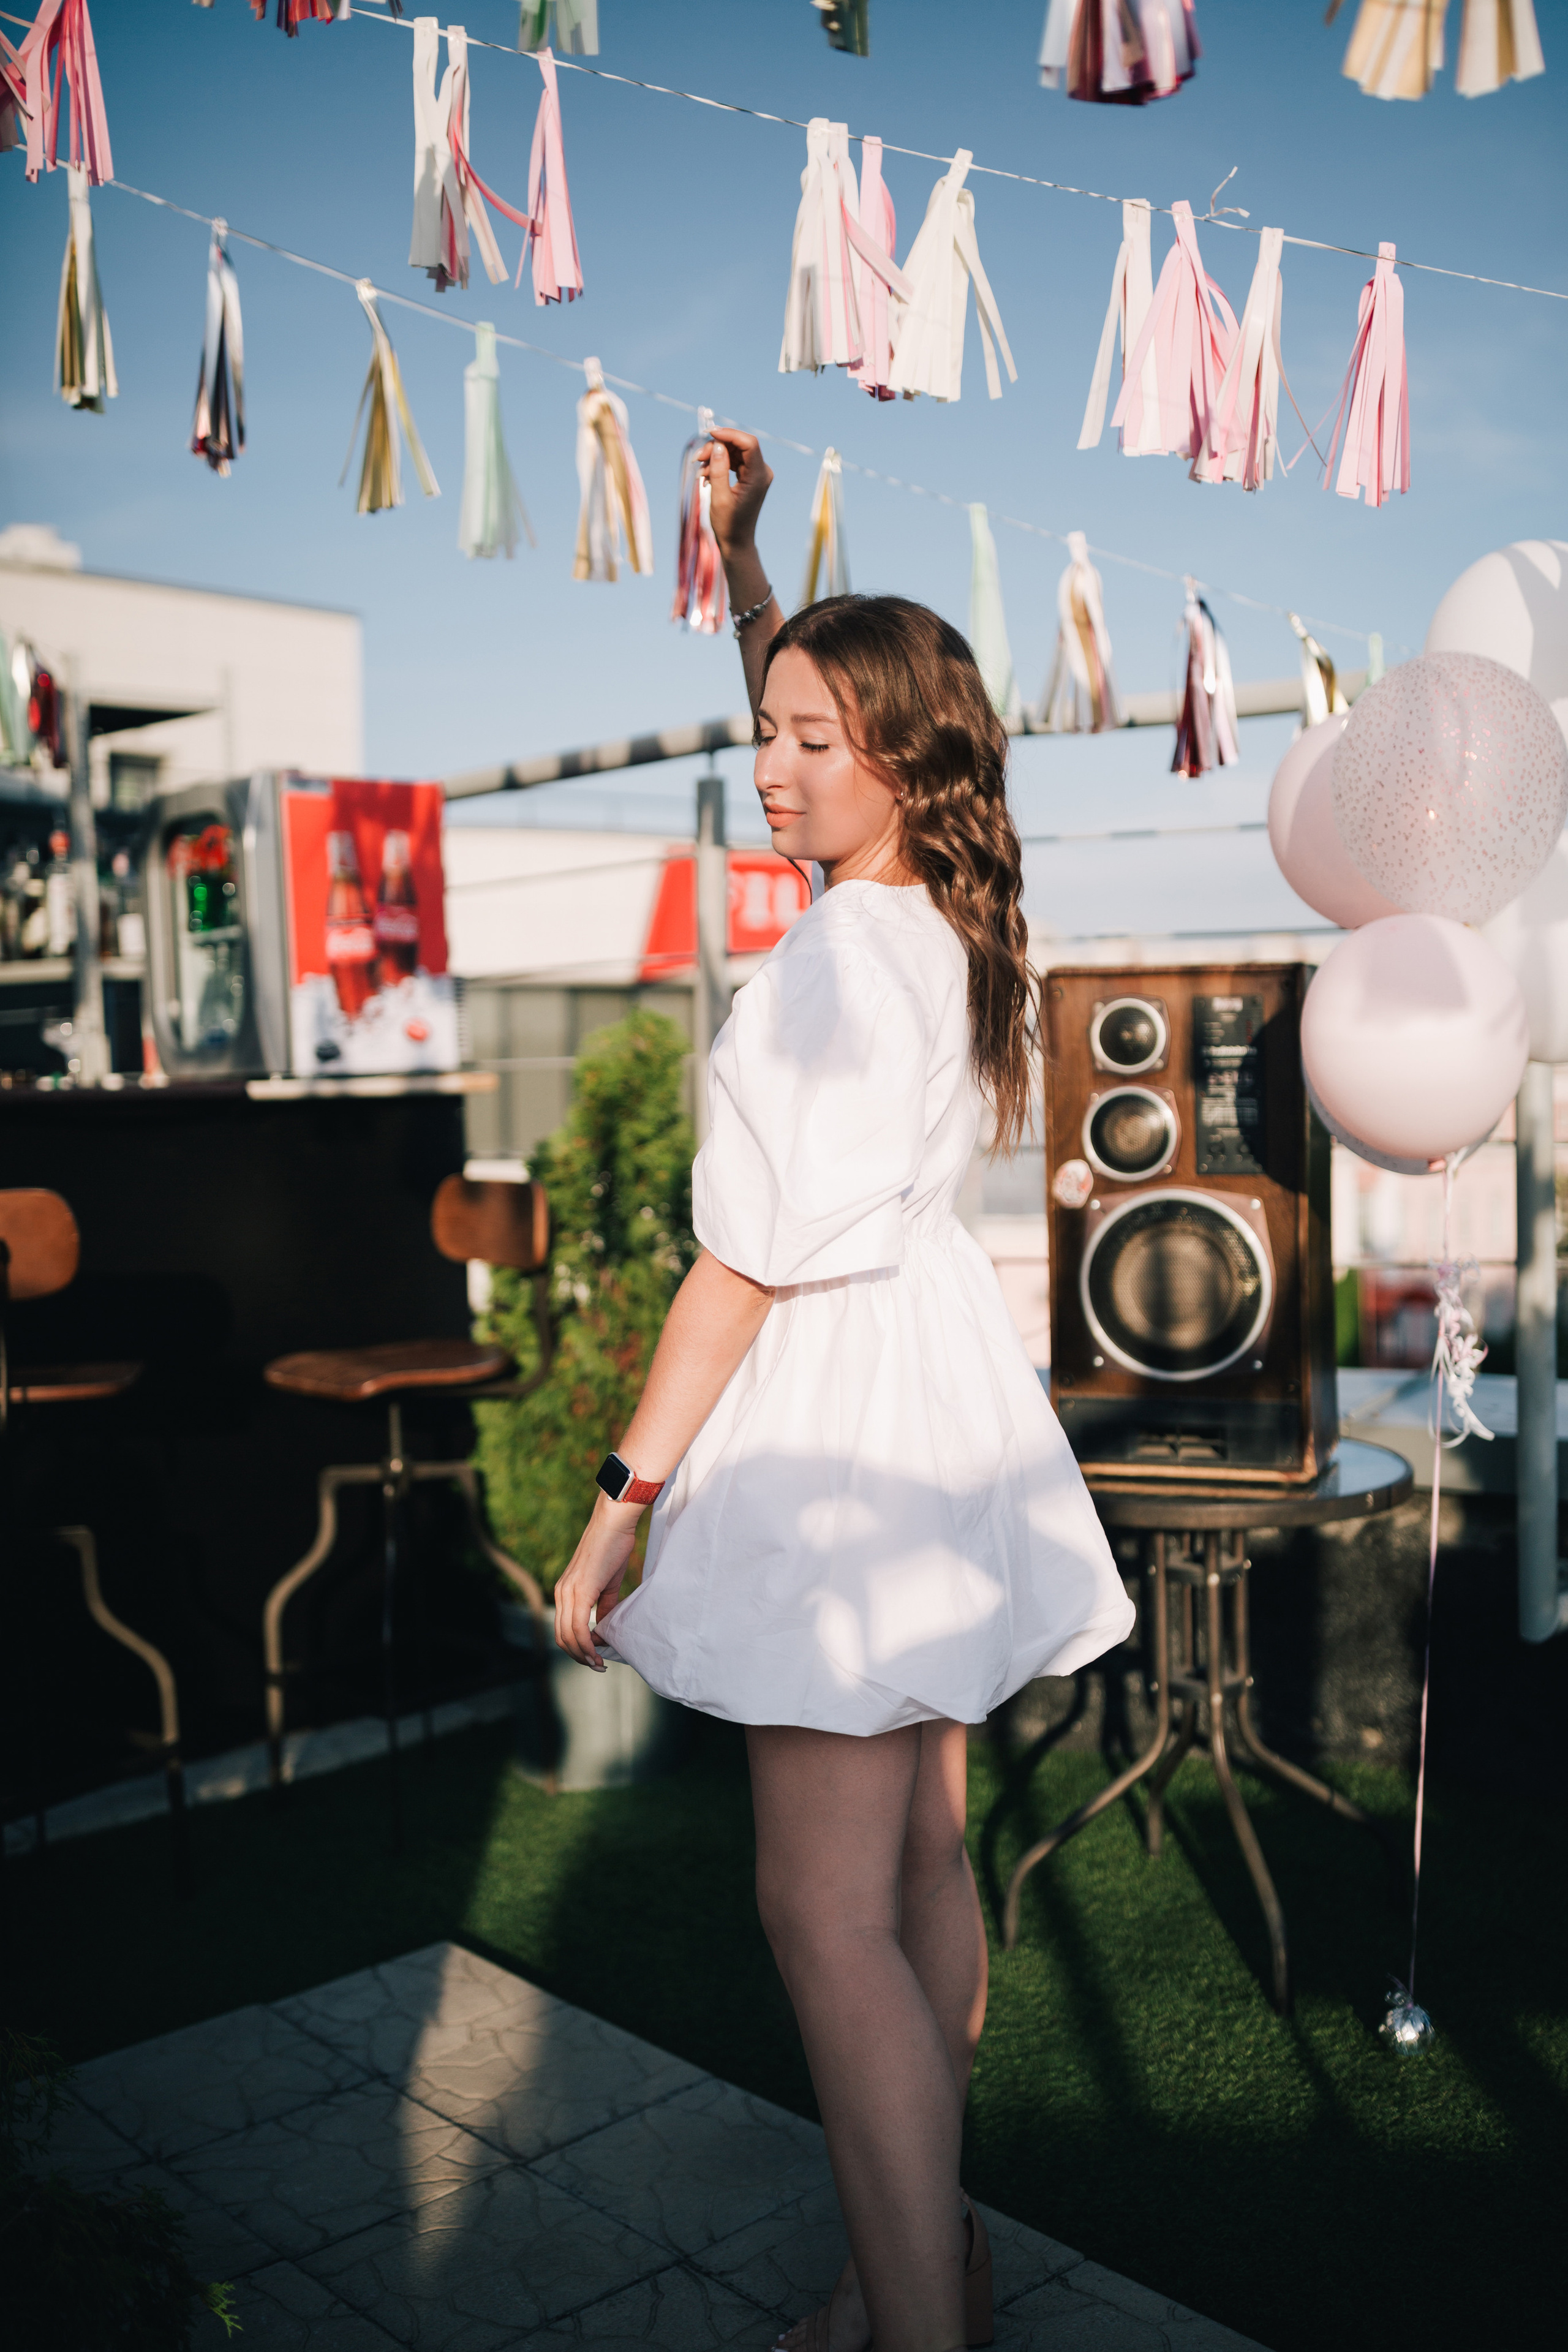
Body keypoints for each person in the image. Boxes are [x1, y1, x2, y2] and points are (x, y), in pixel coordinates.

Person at [553, 429, 1134, 2352]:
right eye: (769, 724)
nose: (775, 757)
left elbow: (737, 1268)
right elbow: (825, 711)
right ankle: (932, 2264)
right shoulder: (952, 924)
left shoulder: (822, 967)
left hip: (831, 1422)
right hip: (941, 1404)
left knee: (821, 1915)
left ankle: (916, 2328)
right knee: (914, 1857)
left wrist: (623, 1501)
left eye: (813, 735)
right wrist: (734, 558)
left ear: (898, 758)